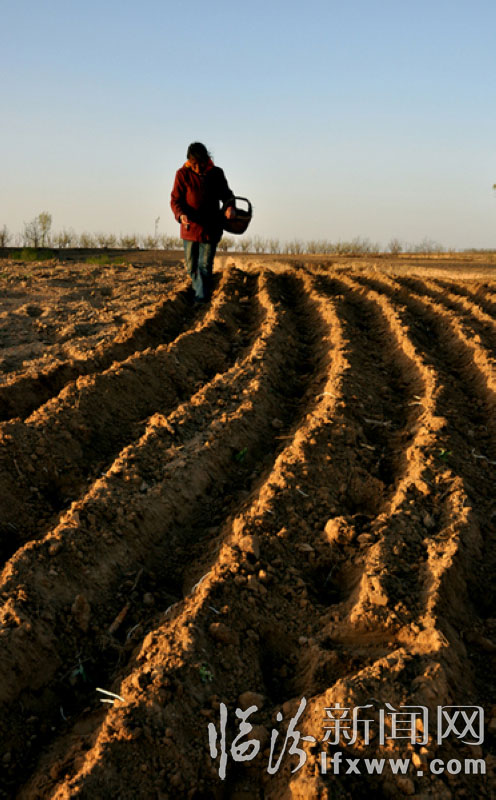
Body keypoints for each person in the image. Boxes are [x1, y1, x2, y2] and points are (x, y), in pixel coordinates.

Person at [170, 142, 236, 302]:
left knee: (205, 266)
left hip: (211, 228)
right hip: (190, 228)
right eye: (194, 164)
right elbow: (175, 200)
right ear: (189, 161)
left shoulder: (216, 174)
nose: (198, 168)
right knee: (191, 267)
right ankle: (200, 294)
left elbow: (227, 195)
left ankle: (201, 299)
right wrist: (181, 215)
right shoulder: (182, 174)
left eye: (201, 163)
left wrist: (230, 207)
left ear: (207, 159)